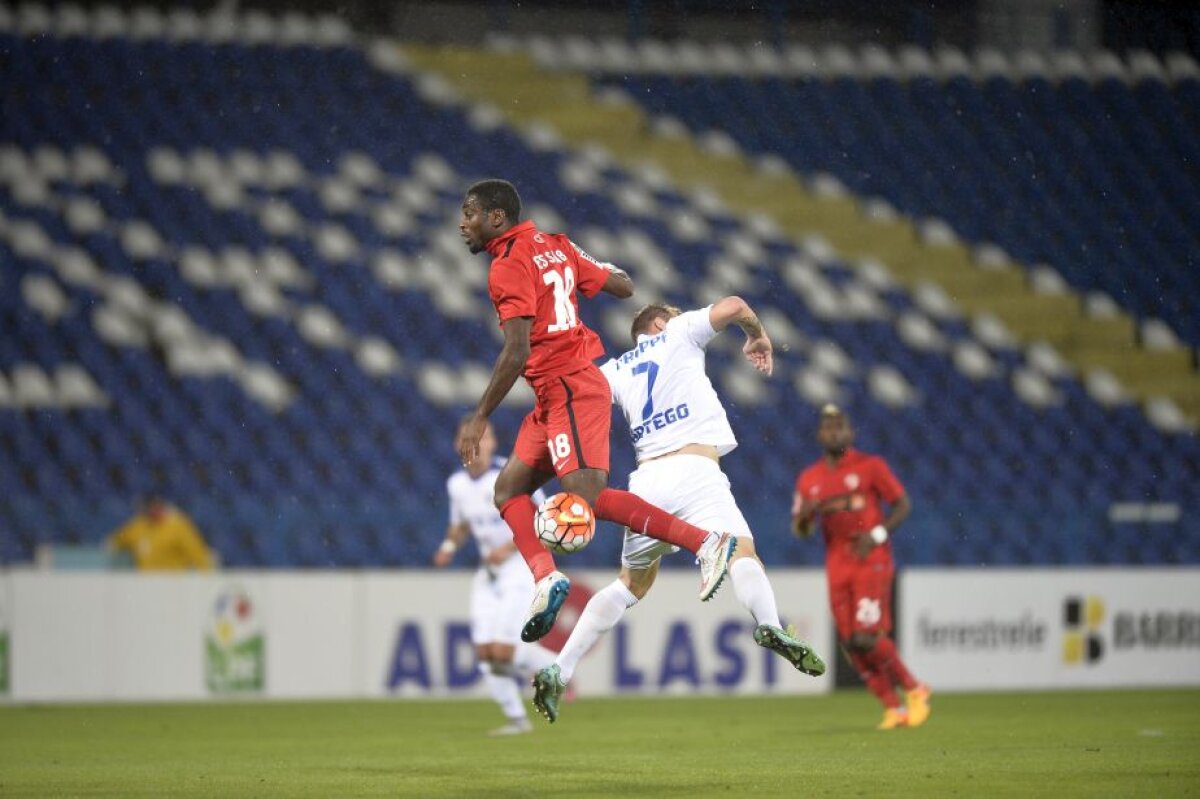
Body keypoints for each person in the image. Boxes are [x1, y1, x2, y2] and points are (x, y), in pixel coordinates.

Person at [456, 178, 736, 645]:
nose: (462, 224)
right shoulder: (555, 244)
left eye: (470, 214)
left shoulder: (506, 266)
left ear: (496, 217)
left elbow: (517, 350)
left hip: (569, 386)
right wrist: (592, 266)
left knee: (587, 496)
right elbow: (623, 287)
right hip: (554, 395)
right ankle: (546, 579)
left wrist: (481, 414)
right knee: (507, 492)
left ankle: (707, 543)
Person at [529, 298, 827, 723]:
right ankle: (769, 623)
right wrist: (756, 334)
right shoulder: (680, 331)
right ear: (658, 321)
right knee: (742, 553)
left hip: (647, 481)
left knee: (630, 584)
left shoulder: (611, 371)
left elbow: (571, 400)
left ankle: (562, 667)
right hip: (695, 470)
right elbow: (734, 305)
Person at [791, 405, 931, 730]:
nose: (834, 432)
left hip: (871, 559)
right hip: (837, 563)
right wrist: (804, 516)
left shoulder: (871, 467)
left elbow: (903, 504)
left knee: (867, 637)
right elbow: (801, 530)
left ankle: (915, 689)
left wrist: (877, 534)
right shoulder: (809, 479)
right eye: (828, 427)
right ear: (819, 435)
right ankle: (893, 708)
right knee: (850, 641)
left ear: (851, 433)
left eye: (840, 427)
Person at [433, 416, 558, 736]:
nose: (474, 443)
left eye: (481, 437)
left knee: (502, 652)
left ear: (492, 443)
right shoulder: (456, 485)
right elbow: (460, 525)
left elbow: (541, 520)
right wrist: (449, 546)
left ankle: (555, 667)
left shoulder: (513, 474)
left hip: (519, 567)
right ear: (457, 445)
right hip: (488, 572)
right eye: (467, 438)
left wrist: (506, 548)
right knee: (486, 655)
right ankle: (516, 719)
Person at [107, 495, 214, 571]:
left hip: (173, 583)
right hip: (145, 584)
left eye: (157, 507)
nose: (155, 511)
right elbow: (116, 541)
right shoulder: (138, 526)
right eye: (151, 507)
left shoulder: (178, 526)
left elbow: (197, 553)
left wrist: (207, 576)